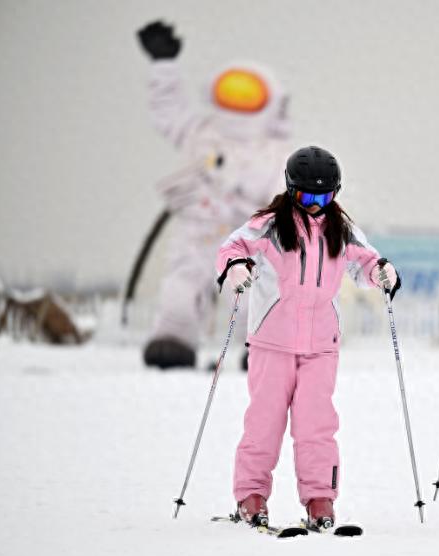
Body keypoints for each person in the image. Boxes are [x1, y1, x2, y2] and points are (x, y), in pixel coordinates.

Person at [215, 146, 399, 530]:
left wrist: (383, 272)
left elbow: (367, 262)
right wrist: (234, 267)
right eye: (306, 197)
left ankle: (320, 499)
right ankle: (251, 495)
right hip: (272, 343)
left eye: (324, 197)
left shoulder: (341, 229)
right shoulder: (269, 224)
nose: (315, 206)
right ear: (290, 189)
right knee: (263, 423)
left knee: (317, 426)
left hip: (321, 346)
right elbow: (233, 246)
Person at [136, 20, 292, 369]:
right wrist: (163, 65)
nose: (238, 102)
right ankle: (173, 340)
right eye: (231, 92)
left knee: (257, 296)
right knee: (180, 290)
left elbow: (285, 195)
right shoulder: (201, 133)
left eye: (248, 94)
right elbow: (168, 112)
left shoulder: (275, 152)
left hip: (249, 238)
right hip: (197, 231)